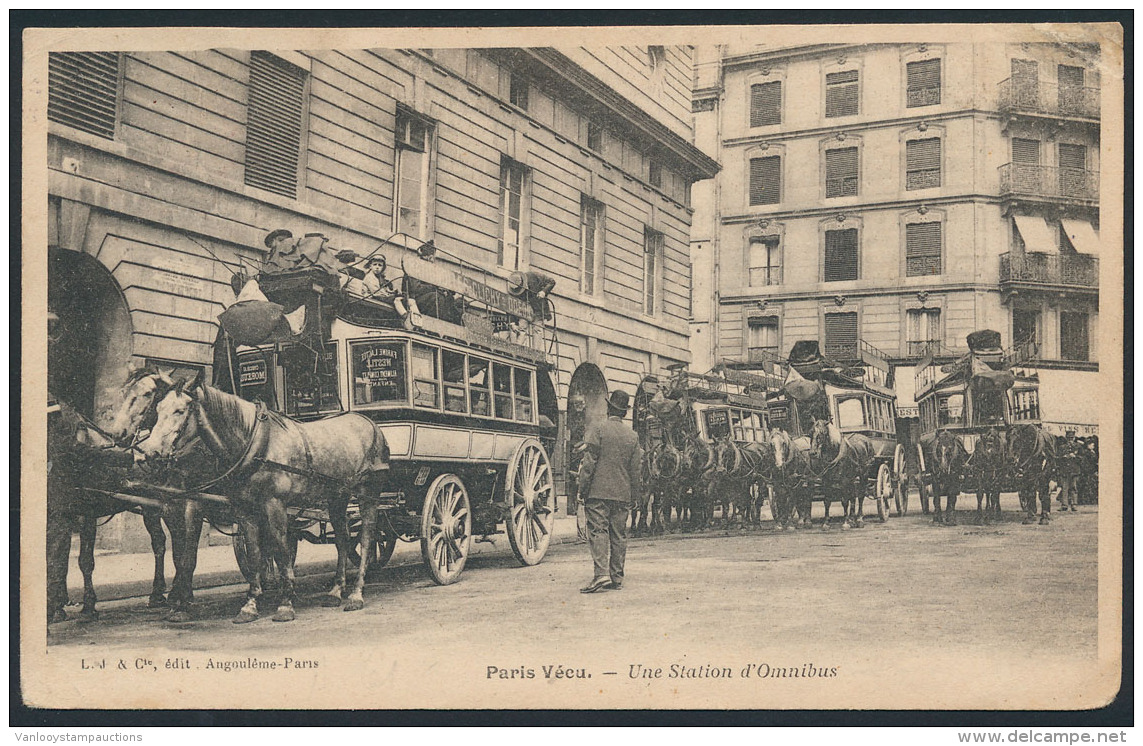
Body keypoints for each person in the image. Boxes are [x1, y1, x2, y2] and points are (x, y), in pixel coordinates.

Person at [579, 389, 643, 593]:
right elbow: (636, 471)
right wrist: (635, 496)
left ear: (609, 408)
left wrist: (582, 489)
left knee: (598, 531)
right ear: (624, 412)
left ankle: (601, 575)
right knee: (618, 534)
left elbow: (589, 464)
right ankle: (617, 577)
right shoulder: (632, 436)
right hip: (622, 494)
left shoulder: (598, 429)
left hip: (598, 492)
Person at [1056, 429, 1082, 512]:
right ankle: (1064, 505)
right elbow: (1057, 458)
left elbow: (1082, 458)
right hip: (1064, 471)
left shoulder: (1078, 447)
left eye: (1072, 438)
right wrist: (1063, 457)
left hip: (1074, 471)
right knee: (1064, 488)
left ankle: (1074, 504)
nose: (1070, 440)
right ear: (1066, 438)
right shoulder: (1062, 447)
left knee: (1074, 488)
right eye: (1069, 438)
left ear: (1074, 438)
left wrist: (1075, 457)